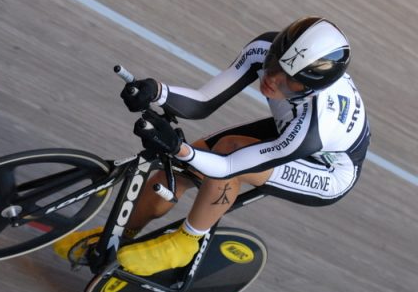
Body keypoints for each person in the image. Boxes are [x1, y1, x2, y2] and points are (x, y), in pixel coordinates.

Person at [54, 16, 371, 276]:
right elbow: (203, 101)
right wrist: (154, 91)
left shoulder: (318, 125)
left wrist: (180, 147)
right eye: (273, 63)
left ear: (309, 89)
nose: (271, 78)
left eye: (286, 80)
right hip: (287, 128)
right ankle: (115, 239)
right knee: (174, 174)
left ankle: (186, 243)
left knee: (224, 155)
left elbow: (231, 165)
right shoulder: (267, 48)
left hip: (326, 168)